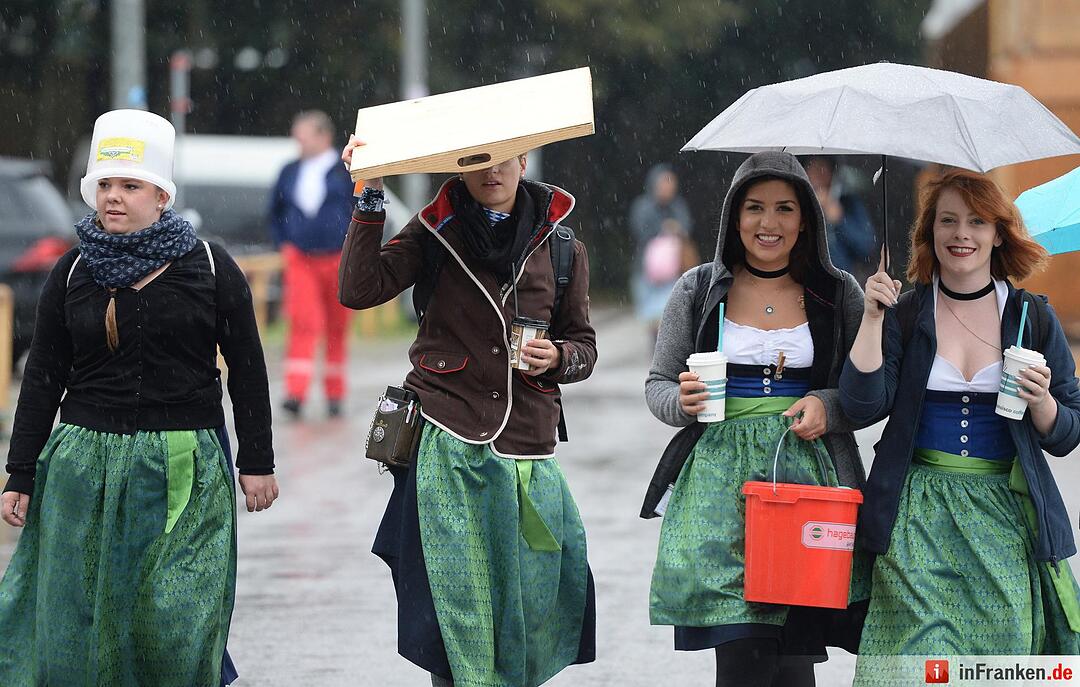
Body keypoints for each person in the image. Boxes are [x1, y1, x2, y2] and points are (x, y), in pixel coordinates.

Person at [0, 109, 278, 686]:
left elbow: (247, 370)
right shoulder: (71, 270)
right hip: (84, 465)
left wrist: (257, 462)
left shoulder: (210, 266)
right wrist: (20, 473)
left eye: (130, 185)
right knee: (83, 614)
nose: (114, 197)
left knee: (178, 614)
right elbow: (43, 378)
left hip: (183, 463)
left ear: (161, 194)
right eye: (104, 184)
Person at [339, 137, 597, 687]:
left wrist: (557, 357)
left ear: (524, 162)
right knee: (455, 610)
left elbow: (584, 349)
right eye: (477, 159)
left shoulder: (562, 244)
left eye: (504, 157)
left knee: (530, 606)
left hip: (527, 449)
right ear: (461, 166)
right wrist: (369, 194)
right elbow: (359, 289)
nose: (492, 170)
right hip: (443, 440)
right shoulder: (436, 228)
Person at [840, 169, 1080, 682]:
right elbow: (862, 407)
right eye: (947, 221)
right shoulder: (905, 314)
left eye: (976, 221)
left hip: (1004, 520)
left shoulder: (1032, 316)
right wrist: (871, 318)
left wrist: (1042, 406)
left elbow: (1068, 430)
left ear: (999, 232)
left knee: (990, 670)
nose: (961, 234)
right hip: (917, 516)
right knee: (913, 669)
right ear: (930, 233)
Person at [645, 151, 870, 687]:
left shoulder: (839, 294)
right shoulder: (698, 291)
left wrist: (829, 406)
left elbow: (869, 397)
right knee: (741, 655)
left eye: (785, 209)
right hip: (721, 498)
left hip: (809, 489)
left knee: (794, 661)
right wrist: (684, 402)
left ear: (806, 218)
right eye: (755, 208)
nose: (768, 224)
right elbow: (657, 387)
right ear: (733, 216)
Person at [268, 110, 355, 418]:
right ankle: (296, 392)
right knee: (304, 322)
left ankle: (334, 394)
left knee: (337, 326)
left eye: (304, 135)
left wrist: (356, 248)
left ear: (323, 136)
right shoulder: (289, 171)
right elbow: (275, 211)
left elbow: (363, 207)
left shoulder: (344, 171)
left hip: (338, 258)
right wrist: (284, 243)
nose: (299, 141)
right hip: (301, 259)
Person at [630, 164, 696, 344]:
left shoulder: (678, 206)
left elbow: (687, 228)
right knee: (652, 316)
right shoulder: (643, 206)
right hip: (648, 271)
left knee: (670, 315)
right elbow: (640, 230)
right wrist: (662, 229)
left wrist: (677, 229)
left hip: (674, 271)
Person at [804, 156, 877, 283]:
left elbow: (866, 247)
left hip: (842, 281)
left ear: (832, 173)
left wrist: (840, 220)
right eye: (812, 168)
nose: (817, 174)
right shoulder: (796, 204)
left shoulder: (848, 202)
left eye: (822, 168)